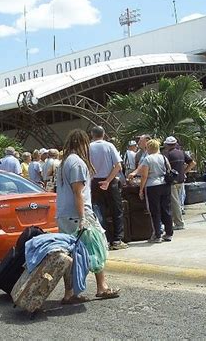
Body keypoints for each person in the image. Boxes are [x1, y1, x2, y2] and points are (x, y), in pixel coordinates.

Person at [56, 129, 120, 302]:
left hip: (64, 215)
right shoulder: (77, 163)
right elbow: (78, 193)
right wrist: (83, 218)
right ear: (82, 144)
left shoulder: (63, 163)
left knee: (70, 254)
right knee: (97, 247)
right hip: (79, 215)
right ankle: (102, 287)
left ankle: (69, 293)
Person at [89, 126, 127, 250]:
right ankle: (117, 239)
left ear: (92, 134)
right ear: (104, 134)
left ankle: (104, 239)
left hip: (94, 182)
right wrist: (108, 181)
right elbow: (118, 166)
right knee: (116, 210)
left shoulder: (88, 147)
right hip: (110, 181)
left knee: (98, 211)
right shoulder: (109, 146)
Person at [138, 139, 173, 243]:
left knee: (155, 211)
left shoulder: (147, 159)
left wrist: (141, 189)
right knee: (166, 209)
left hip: (152, 186)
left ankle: (157, 234)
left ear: (148, 148)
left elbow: (144, 175)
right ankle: (169, 233)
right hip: (164, 185)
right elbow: (169, 169)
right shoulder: (163, 157)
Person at [163, 136, 196, 230]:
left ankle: (179, 223)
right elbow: (193, 163)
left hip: (172, 181)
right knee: (178, 202)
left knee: (175, 203)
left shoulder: (167, 154)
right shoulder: (181, 153)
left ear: (167, 145)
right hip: (181, 180)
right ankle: (176, 221)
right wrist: (184, 172)